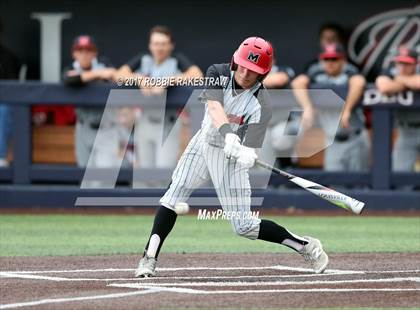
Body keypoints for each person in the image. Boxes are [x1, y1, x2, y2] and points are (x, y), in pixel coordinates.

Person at [134, 37, 328, 278]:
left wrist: (247, 154)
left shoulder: (262, 103)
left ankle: (306, 246)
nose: (246, 73)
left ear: (263, 74)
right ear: (235, 61)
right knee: (172, 198)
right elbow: (215, 108)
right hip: (203, 144)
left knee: (244, 226)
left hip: (230, 159)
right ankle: (149, 258)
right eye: (244, 65)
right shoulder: (218, 72)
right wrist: (228, 134)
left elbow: (253, 145)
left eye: (254, 70)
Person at [114, 25, 203, 169]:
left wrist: (170, 80)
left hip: (168, 121)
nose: (159, 48)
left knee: (164, 171)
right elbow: (118, 75)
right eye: (156, 44)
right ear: (150, 45)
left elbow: (197, 76)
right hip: (145, 120)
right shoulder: (143, 59)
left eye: (163, 44)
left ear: (171, 45)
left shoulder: (176, 60)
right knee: (144, 172)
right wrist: (138, 78)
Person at [292, 43, 369, 172]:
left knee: (360, 186)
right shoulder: (316, 72)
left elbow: (359, 81)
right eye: (326, 59)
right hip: (332, 141)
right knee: (334, 186)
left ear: (343, 60)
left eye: (334, 59)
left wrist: (347, 110)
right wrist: (308, 108)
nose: (330, 63)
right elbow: (297, 82)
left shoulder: (349, 71)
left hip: (355, 138)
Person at [63, 35, 120, 168]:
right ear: (74, 53)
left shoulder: (104, 63)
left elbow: (116, 76)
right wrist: (98, 74)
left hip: (106, 127)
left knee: (103, 178)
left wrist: (102, 73)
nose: (84, 54)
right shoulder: (72, 67)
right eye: (80, 50)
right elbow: (69, 79)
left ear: (94, 53)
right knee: (84, 174)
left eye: (88, 50)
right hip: (83, 127)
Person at [376, 46, 420, 172]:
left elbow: (418, 83)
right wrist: (407, 83)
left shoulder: (396, 75)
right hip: (405, 132)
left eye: (407, 63)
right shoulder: (389, 71)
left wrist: (399, 79)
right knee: (400, 173)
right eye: (400, 62)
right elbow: (384, 87)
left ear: (416, 64)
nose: (403, 67)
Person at [0, 18, 21, 167]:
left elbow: (12, 90)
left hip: (2, 103)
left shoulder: (7, 57)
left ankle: (1, 156)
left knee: (4, 109)